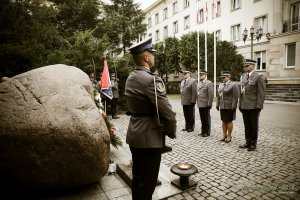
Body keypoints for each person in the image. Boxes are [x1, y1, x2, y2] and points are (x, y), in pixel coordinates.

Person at [125, 38, 177, 200]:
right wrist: (172, 130)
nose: (154, 56)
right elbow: (167, 112)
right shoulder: (151, 79)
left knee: (139, 180)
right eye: (152, 54)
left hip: (135, 134)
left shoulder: (131, 77)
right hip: (149, 138)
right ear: (146, 57)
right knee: (147, 184)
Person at [239, 59, 266, 151]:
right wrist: (240, 104)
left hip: (254, 106)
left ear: (252, 66)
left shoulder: (258, 77)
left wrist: (259, 106)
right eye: (244, 66)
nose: (245, 67)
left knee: (253, 125)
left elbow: (261, 93)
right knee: (247, 125)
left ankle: (253, 144)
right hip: (244, 105)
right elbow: (241, 92)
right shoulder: (243, 77)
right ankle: (248, 142)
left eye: (247, 66)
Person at [216, 72, 239, 143]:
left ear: (228, 77)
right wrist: (217, 104)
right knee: (223, 121)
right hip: (222, 105)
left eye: (224, 77)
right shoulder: (220, 85)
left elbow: (236, 97)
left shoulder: (233, 84)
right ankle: (224, 135)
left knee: (229, 121)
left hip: (230, 106)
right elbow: (218, 95)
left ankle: (229, 136)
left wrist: (234, 106)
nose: (222, 79)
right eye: (222, 77)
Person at [197, 70, 214, 137]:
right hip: (200, 103)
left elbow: (211, 94)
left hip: (206, 104)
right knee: (202, 119)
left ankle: (207, 132)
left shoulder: (208, 83)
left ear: (205, 75)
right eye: (199, 75)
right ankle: (203, 131)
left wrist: (209, 104)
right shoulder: (199, 83)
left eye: (201, 75)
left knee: (206, 119)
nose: (200, 76)